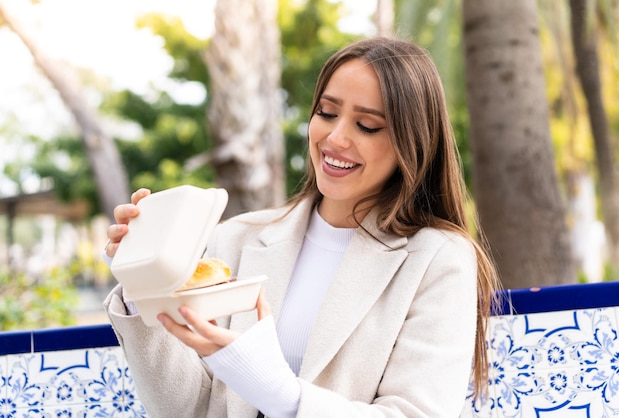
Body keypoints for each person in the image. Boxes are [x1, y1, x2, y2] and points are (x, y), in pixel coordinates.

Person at [103, 36, 500, 418]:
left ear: (411, 143)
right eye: (327, 113)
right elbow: (186, 410)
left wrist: (271, 386)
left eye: (367, 125)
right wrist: (142, 282)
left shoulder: (438, 260)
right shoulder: (235, 239)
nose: (335, 137)